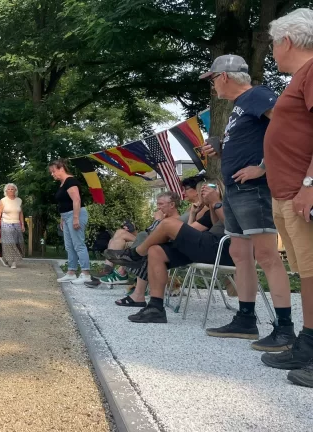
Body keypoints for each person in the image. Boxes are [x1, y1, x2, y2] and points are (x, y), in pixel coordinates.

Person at [199, 54, 294, 352]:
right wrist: (220, 147)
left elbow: (287, 126)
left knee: (267, 255)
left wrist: (264, 167)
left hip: (256, 188)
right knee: (240, 252)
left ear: (224, 76)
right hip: (237, 191)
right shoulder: (240, 107)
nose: (212, 85)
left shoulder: (257, 94)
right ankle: (245, 319)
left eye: (213, 79)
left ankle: (285, 328)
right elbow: (252, 139)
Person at [260, 8, 313, 387]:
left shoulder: (311, 72)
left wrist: (311, 183)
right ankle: (308, 343)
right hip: (286, 193)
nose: (272, 52)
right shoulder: (299, 77)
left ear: (288, 40)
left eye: (273, 44)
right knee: (306, 273)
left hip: (301, 191)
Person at [108, 184, 234, 323]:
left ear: (219, 189)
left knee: (167, 224)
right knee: (156, 251)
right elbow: (201, 227)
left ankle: (135, 254)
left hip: (225, 249)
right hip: (208, 247)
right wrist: (205, 208)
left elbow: (232, 227)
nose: (202, 194)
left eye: (206, 189)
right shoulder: (211, 209)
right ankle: (155, 308)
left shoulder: (233, 201)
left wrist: (216, 202)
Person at [105, 191, 182, 305]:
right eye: (157, 204)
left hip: (169, 253)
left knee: (148, 249)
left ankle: (124, 270)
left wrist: (157, 221)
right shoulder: (165, 219)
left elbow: (153, 235)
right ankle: (122, 271)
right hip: (155, 249)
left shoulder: (177, 220)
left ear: (172, 205)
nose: (158, 207)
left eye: (161, 204)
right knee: (134, 238)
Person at [50, 159, 91, 284]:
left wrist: (75, 218)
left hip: (75, 214)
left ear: (61, 168)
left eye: (53, 171)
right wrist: (62, 219)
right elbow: (64, 203)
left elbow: (76, 200)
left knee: (78, 244)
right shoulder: (62, 183)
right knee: (69, 246)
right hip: (66, 216)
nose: (52, 174)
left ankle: (86, 274)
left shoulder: (71, 181)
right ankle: (71, 273)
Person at [0, 183, 25, 269]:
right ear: (6, 191)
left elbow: (21, 213)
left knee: (17, 243)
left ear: (15, 190)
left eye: (12, 189)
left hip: (16, 224)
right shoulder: (3, 201)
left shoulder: (19, 200)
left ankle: (7, 259)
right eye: (9, 189)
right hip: (6, 223)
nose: (11, 191)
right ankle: (13, 262)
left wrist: (22, 224)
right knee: (9, 243)